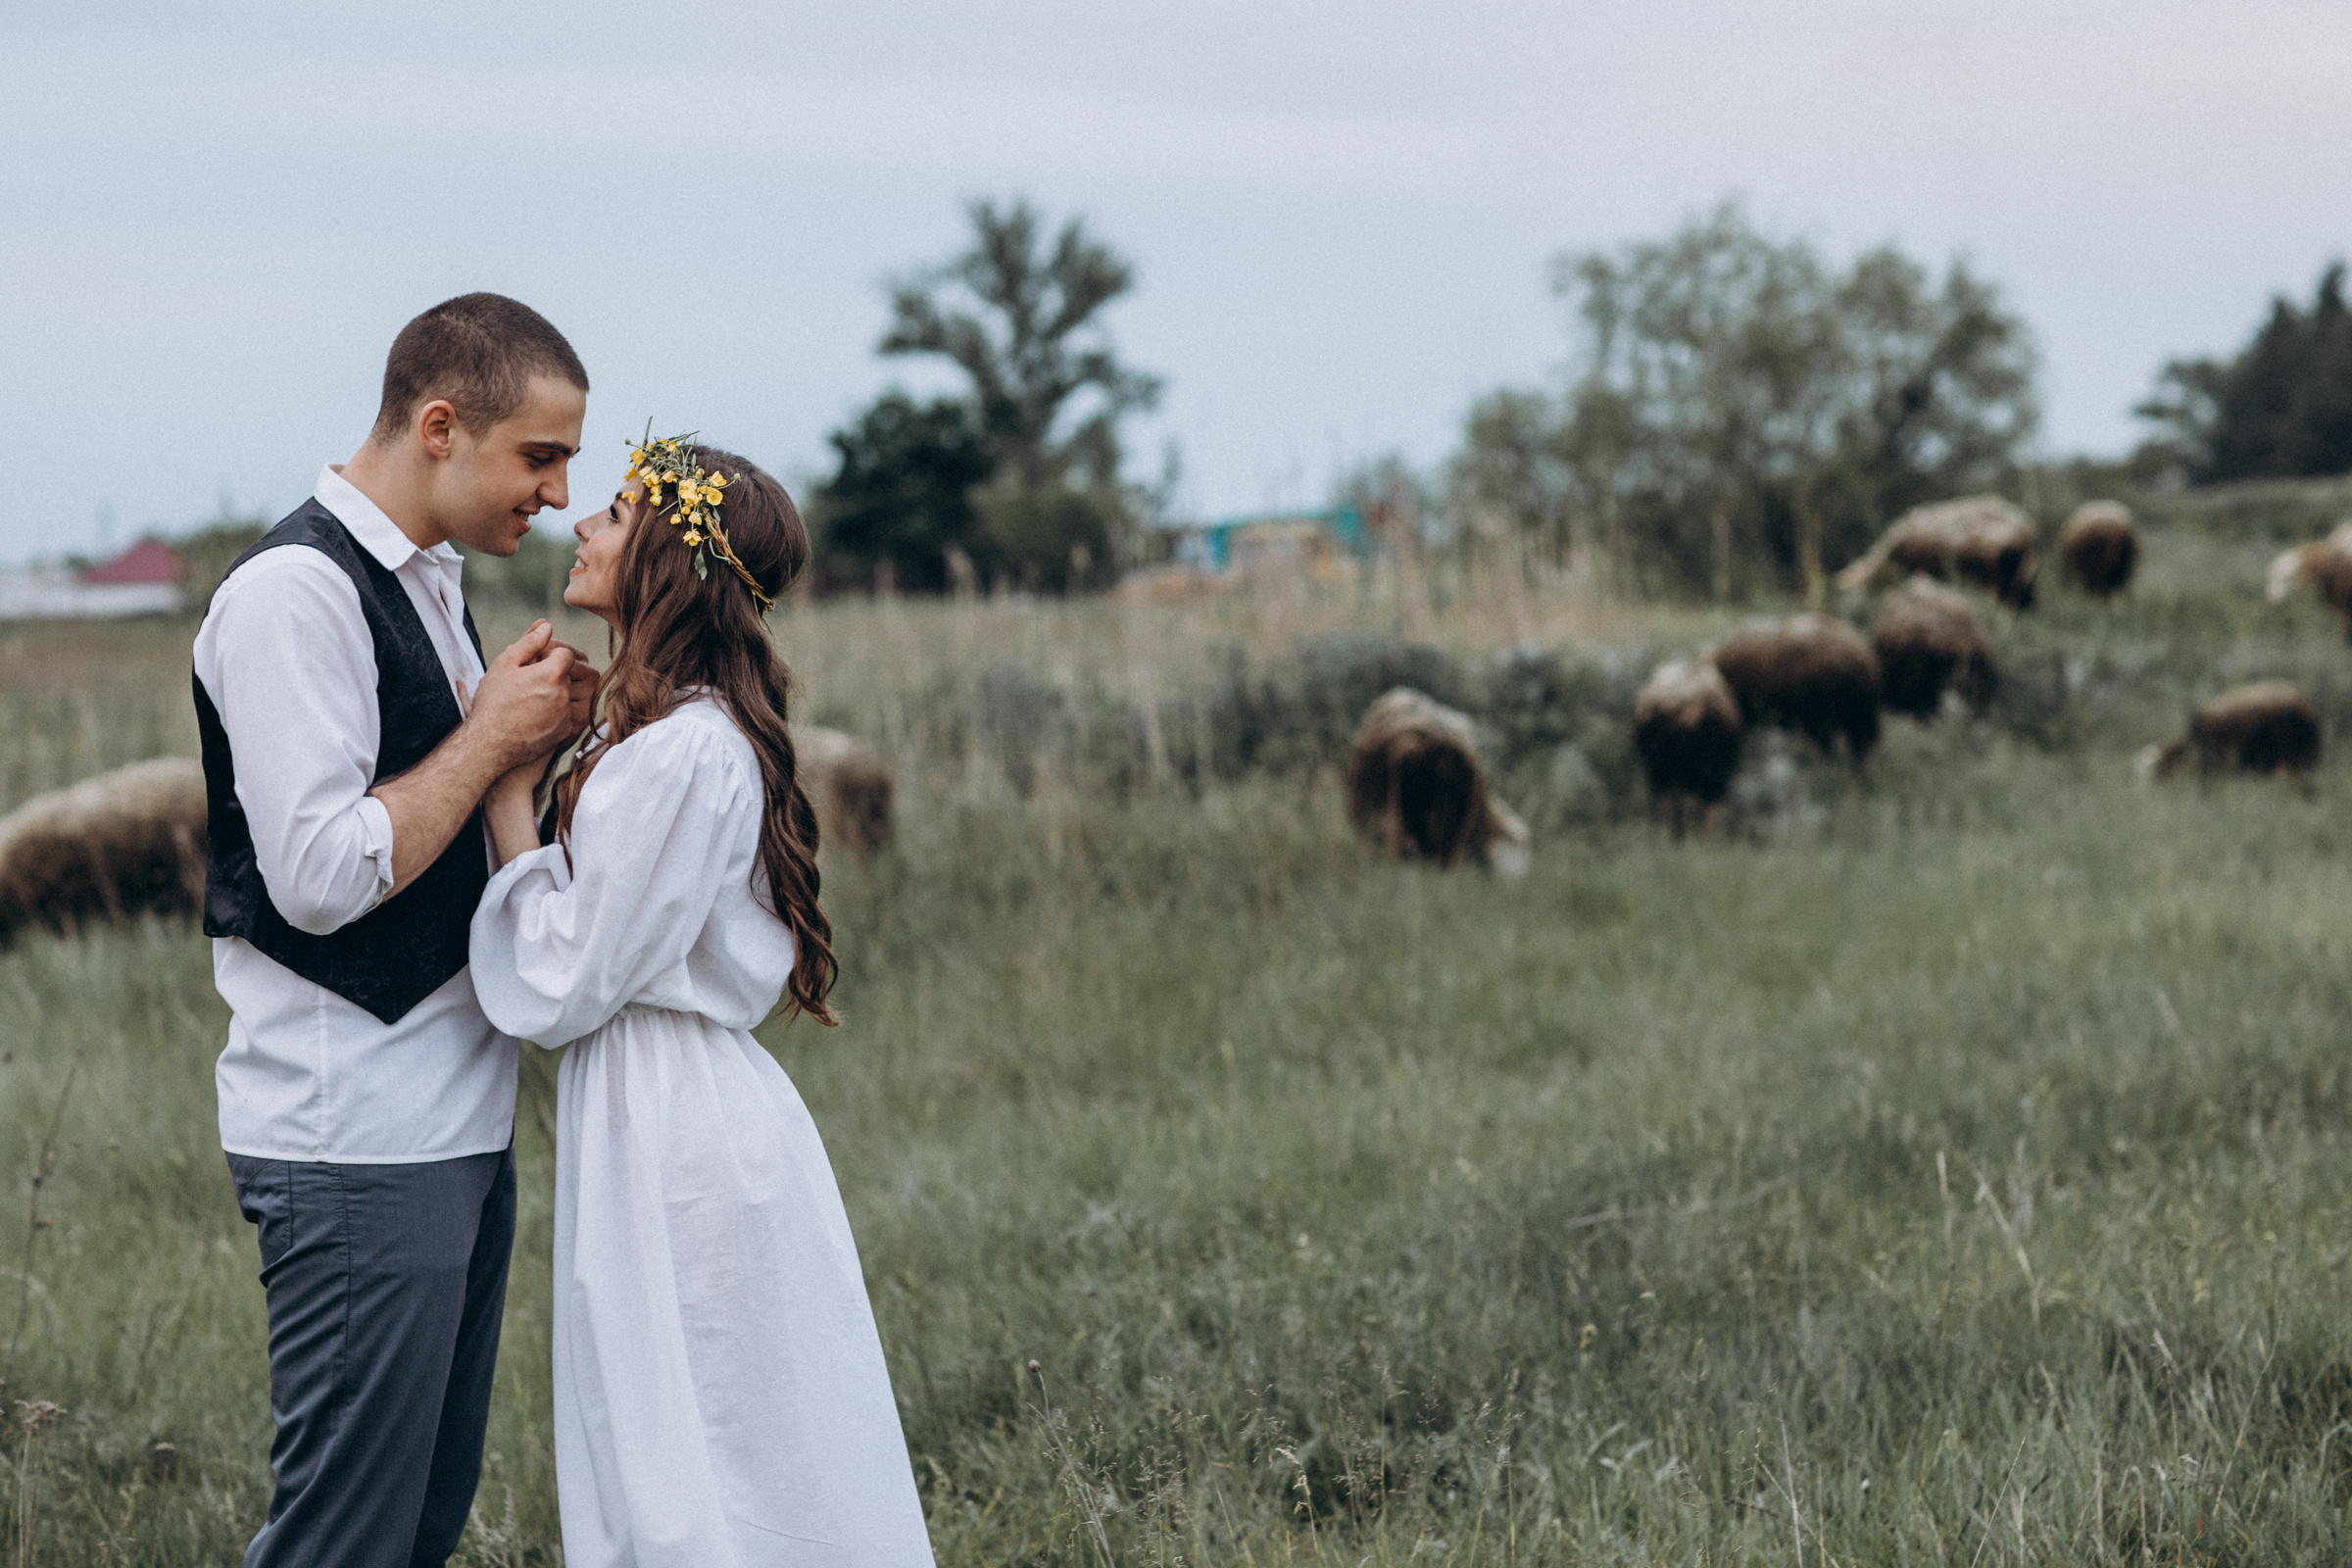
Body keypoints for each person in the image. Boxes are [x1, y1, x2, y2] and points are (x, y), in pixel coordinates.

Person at [467, 434, 934, 1565]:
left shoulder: (686, 754)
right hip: (653, 1107)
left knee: (701, 1435)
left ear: (671, 558)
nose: (583, 523)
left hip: (675, 1124)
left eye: (618, 513)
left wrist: (507, 803)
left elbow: (569, 977)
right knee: (679, 1426)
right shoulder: (668, 738)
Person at [194, 292, 601, 1567]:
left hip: (453, 1125)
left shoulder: (425, 582)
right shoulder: (291, 596)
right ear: (440, 426)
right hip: (353, 1136)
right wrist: (491, 735)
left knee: (414, 1530)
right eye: (540, 455)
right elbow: (315, 874)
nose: (557, 492)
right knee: (344, 1542)